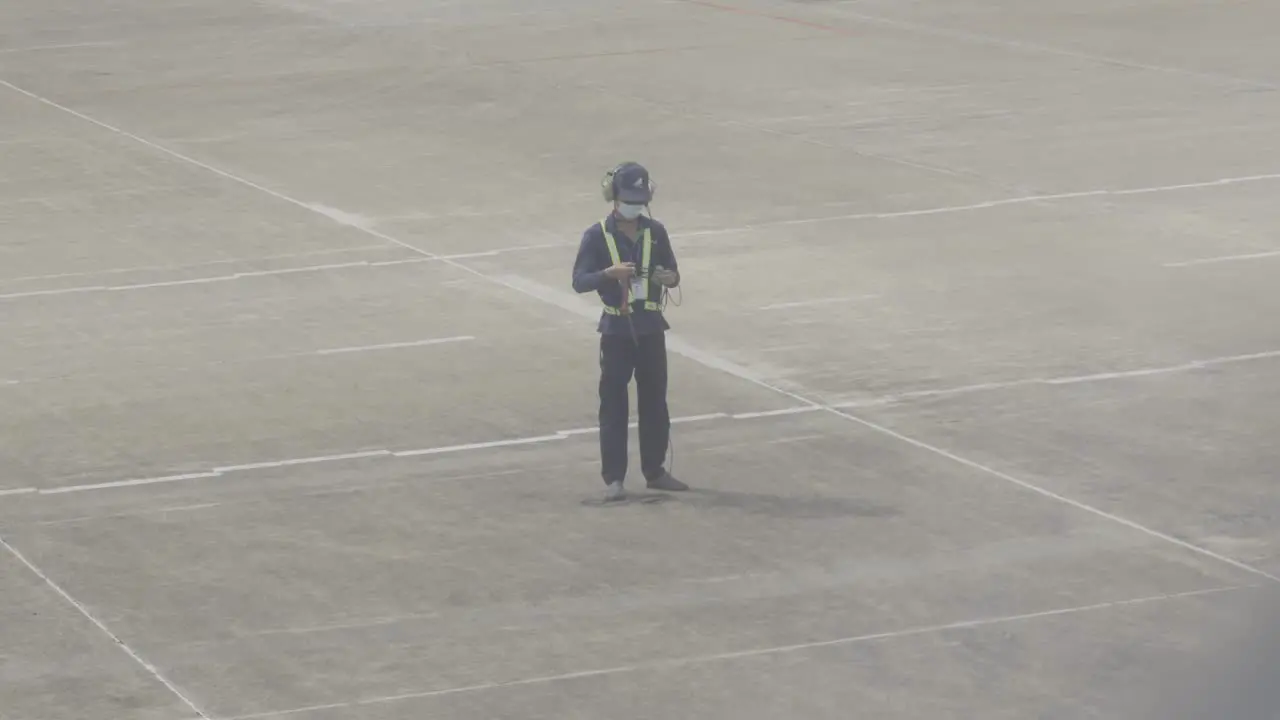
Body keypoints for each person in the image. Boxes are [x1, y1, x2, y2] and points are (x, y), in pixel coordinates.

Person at [572, 161, 688, 502]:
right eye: (630, 198)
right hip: (616, 331)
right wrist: (608, 274)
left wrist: (670, 278)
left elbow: (673, 272)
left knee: (655, 402)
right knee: (614, 405)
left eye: (640, 199)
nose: (636, 206)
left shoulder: (657, 232)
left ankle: (655, 471)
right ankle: (614, 479)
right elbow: (579, 281)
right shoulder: (596, 235)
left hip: (651, 328)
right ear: (614, 197)